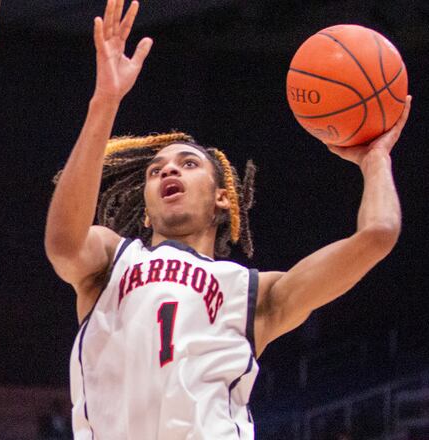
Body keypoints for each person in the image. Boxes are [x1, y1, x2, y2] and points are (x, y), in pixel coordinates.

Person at [43, 0, 410, 438]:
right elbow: (63, 243)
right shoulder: (112, 261)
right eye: (155, 170)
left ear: (222, 198)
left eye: (188, 164)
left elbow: (379, 234)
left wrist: (375, 159)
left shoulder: (254, 294)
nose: (169, 171)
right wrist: (105, 102)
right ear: (147, 202)